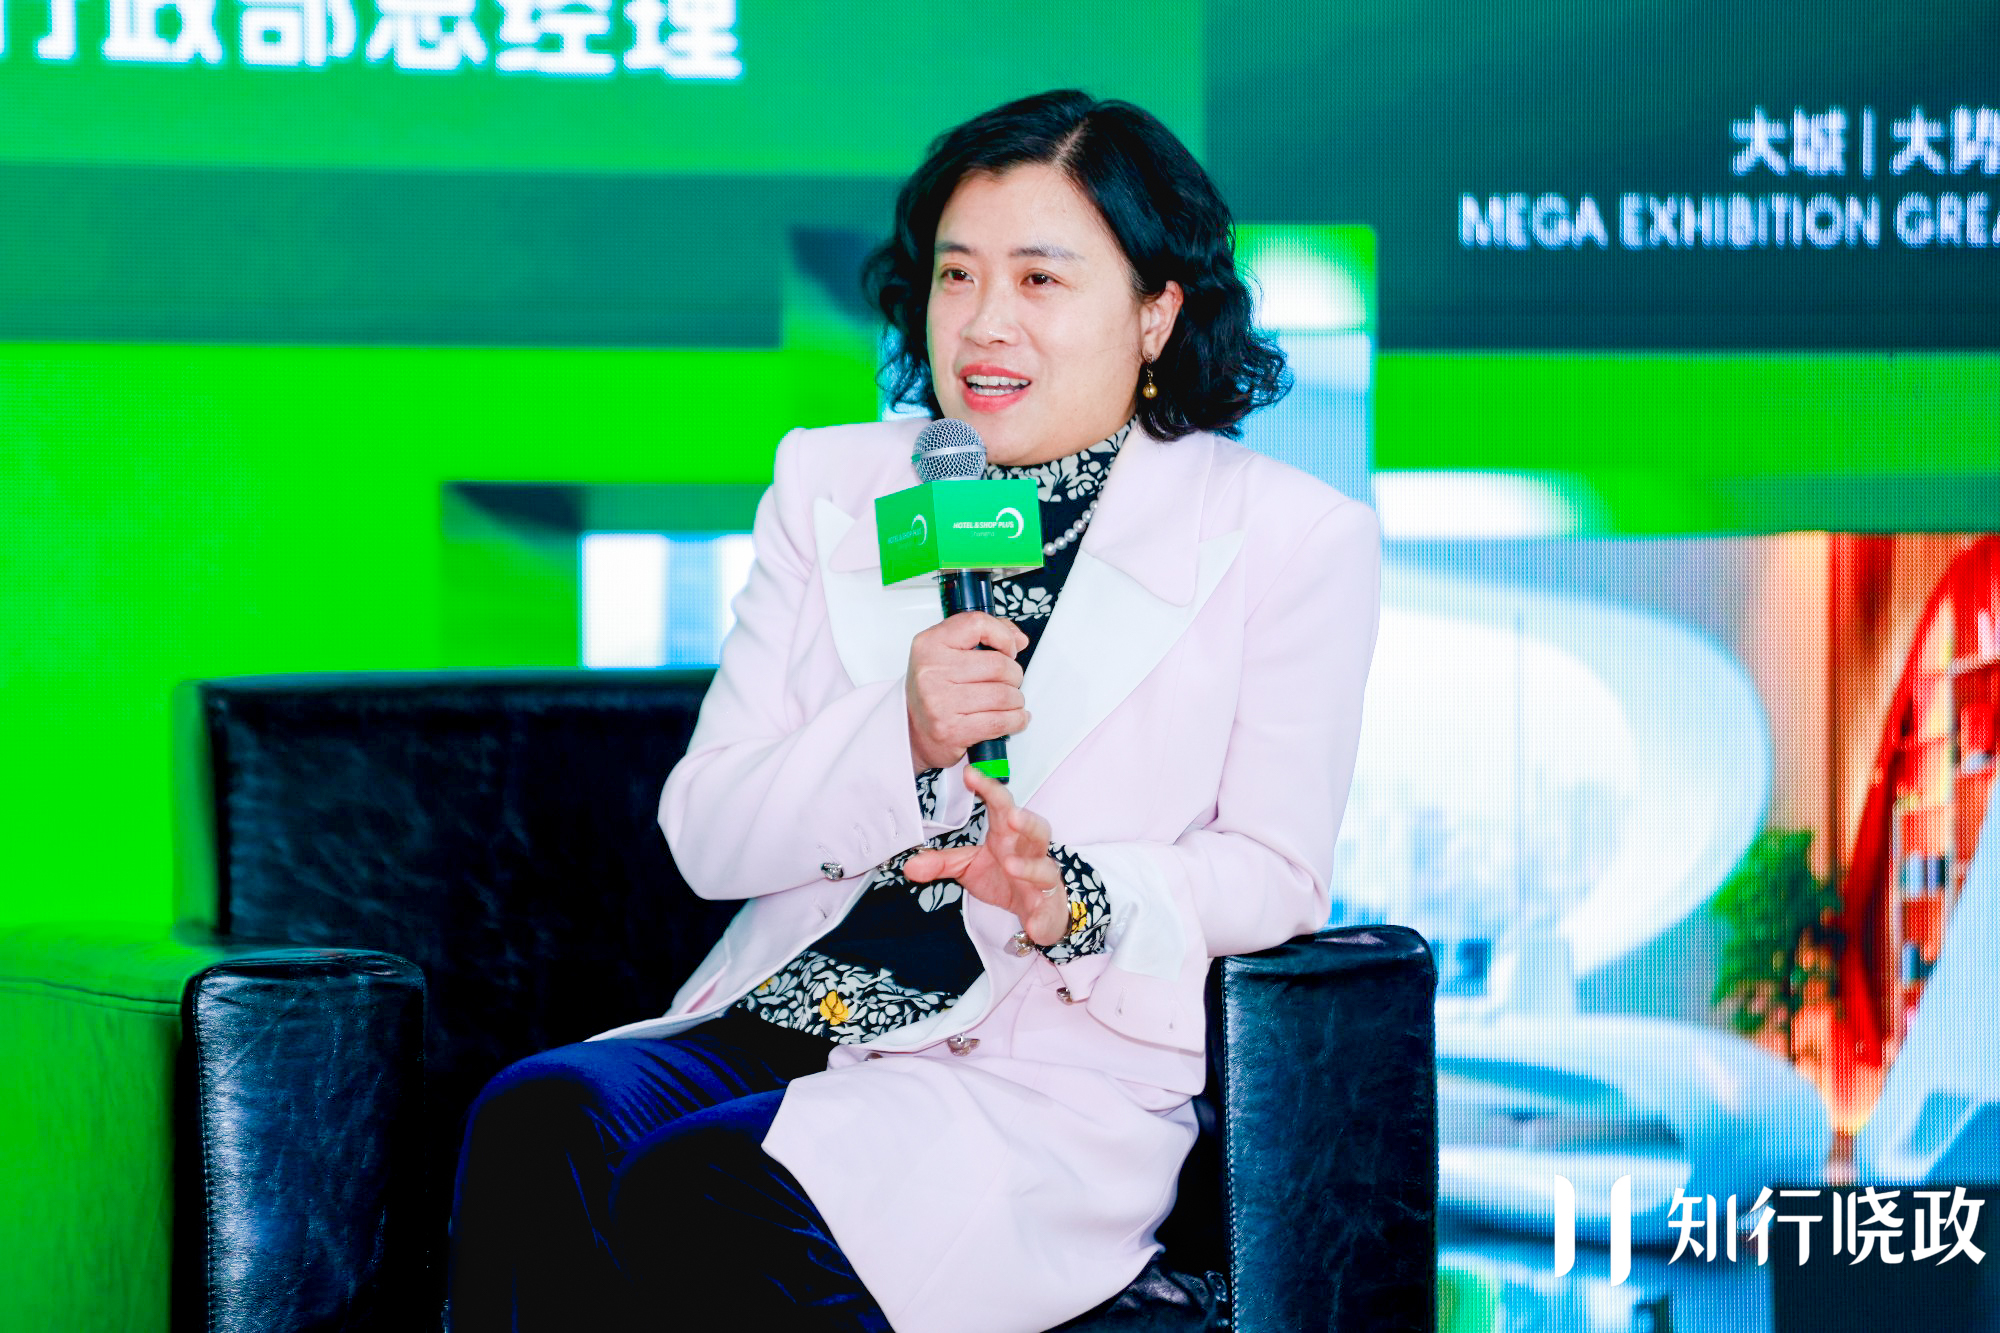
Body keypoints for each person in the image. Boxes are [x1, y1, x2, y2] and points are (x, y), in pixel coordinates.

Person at [446, 88, 1381, 1333]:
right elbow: (707, 831)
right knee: (542, 1116)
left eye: (1039, 280)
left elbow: (1274, 871)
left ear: (1156, 311)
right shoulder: (833, 483)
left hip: (1043, 1062)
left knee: (713, 1182)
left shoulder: (1289, 538)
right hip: (798, 1001)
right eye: (955, 275)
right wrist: (900, 734)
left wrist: (1071, 892)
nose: (984, 323)